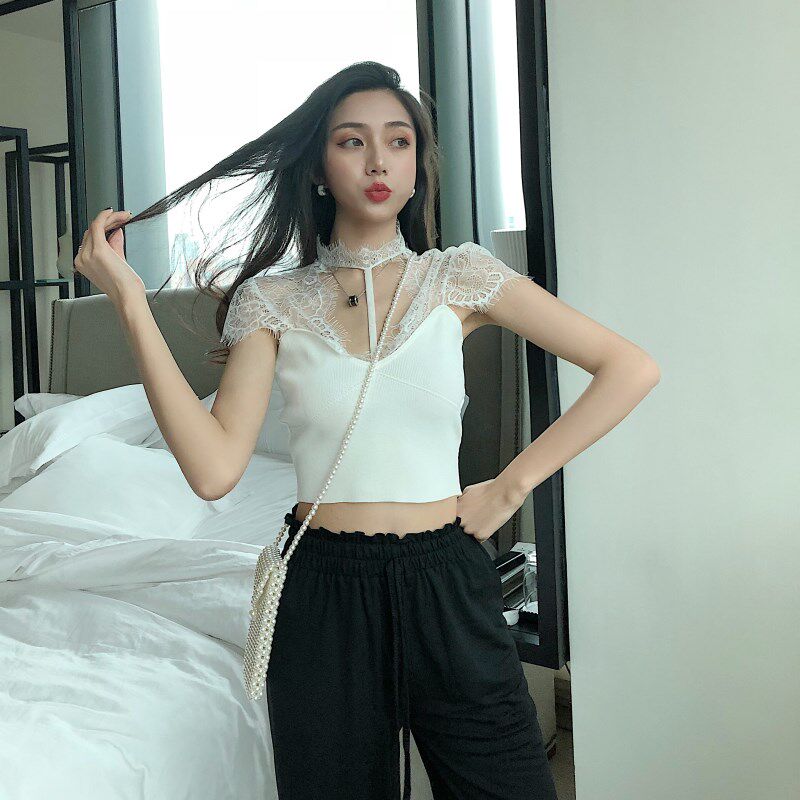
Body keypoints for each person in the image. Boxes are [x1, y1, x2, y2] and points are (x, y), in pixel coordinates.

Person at [74, 61, 659, 800]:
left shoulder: (460, 276)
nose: (378, 160)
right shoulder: (271, 300)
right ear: (320, 169)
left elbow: (629, 368)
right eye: (352, 141)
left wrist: (510, 487)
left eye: (398, 141)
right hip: (321, 588)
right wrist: (130, 301)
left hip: (446, 578)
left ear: (418, 166)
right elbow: (214, 471)